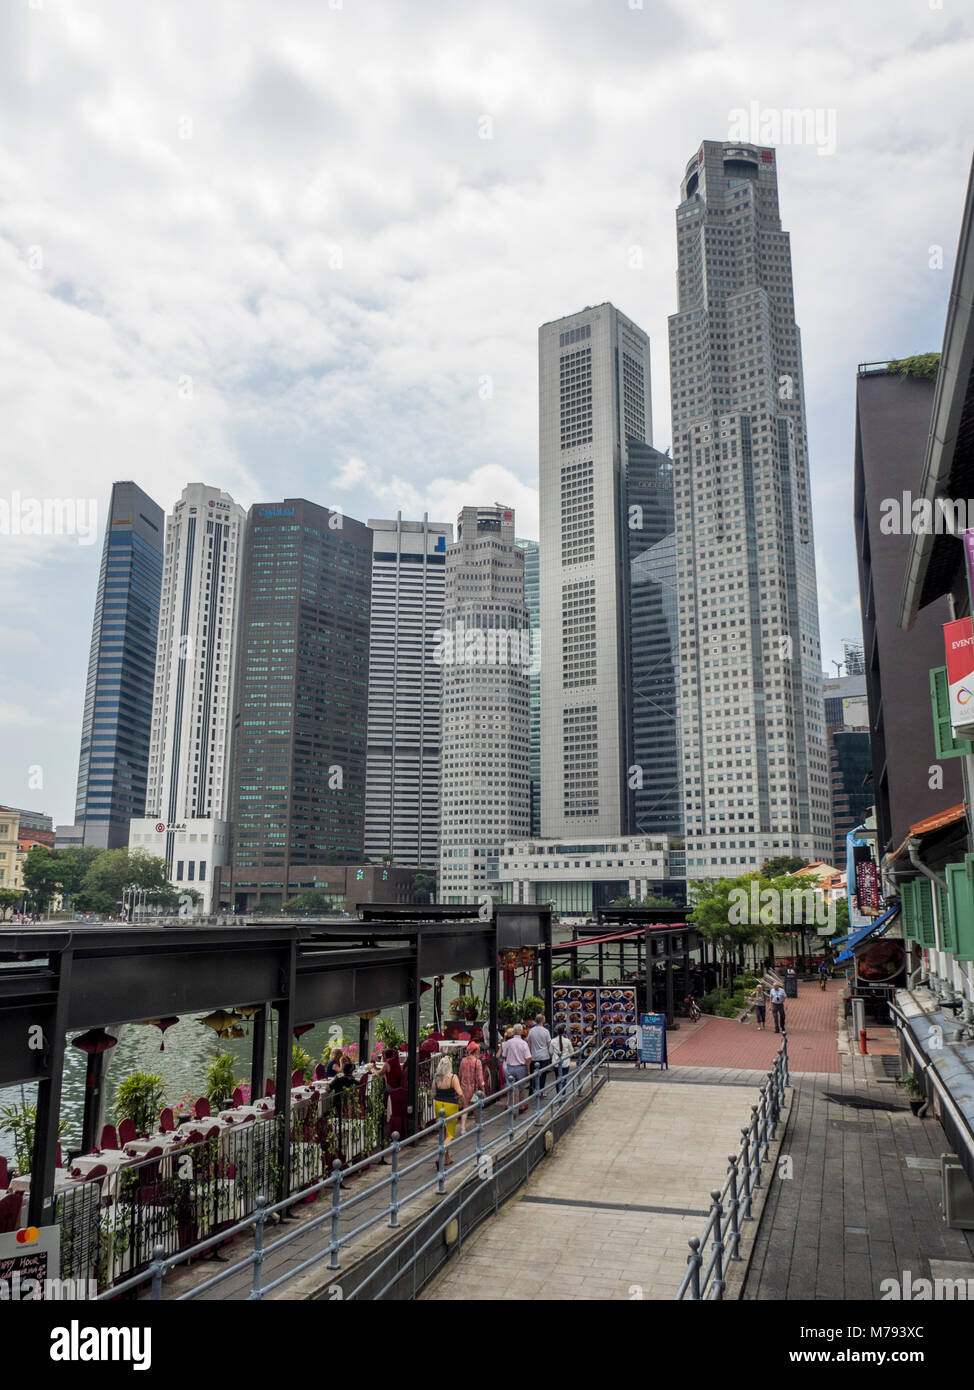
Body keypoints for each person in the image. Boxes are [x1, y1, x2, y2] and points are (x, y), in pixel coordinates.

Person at [431, 1054, 464, 1165]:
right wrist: (461, 1101)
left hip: (438, 1105)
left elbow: (432, 1094)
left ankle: (447, 1158)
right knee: (450, 1134)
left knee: (443, 1132)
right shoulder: (453, 1077)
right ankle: (440, 1155)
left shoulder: (436, 1078)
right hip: (451, 1106)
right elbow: (460, 1093)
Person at [380, 1047, 407, 1151]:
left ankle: (381, 1114)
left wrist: (373, 1069)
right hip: (397, 1088)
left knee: (380, 1091)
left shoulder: (387, 1064)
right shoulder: (396, 1062)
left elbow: (380, 1073)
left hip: (390, 1090)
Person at [501, 1023, 531, 1112]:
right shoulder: (524, 1043)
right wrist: (528, 1070)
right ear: (521, 1031)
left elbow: (504, 1056)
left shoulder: (508, 1043)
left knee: (511, 1089)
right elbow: (528, 1058)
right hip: (521, 1068)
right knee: (522, 1088)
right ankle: (521, 1106)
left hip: (510, 1068)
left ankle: (512, 1107)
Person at [458, 1042, 485, 1135]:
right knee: (477, 1107)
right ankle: (478, 1125)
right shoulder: (478, 1062)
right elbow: (480, 1078)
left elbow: (460, 1074)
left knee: (465, 1108)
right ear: (476, 1050)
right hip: (475, 1089)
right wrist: (483, 1088)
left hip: (464, 1087)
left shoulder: (463, 1061)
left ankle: (462, 1128)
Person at [527, 1013, 552, 1094]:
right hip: (544, 1056)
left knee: (535, 1073)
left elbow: (529, 1044)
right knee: (543, 1074)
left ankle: (533, 1086)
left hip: (534, 1056)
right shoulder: (546, 1031)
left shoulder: (531, 1031)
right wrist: (550, 1054)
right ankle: (541, 1091)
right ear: (543, 1021)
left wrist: (530, 1054)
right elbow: (549, 1045)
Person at [550, 1022, 574, 1095]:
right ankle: (563, 1094)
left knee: (558, 1078)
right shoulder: (567, 1041)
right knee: (564, 1078)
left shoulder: (552, 1041)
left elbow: (550, 1052)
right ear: (564, 1032)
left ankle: (558, 1094)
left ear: (557, 1032)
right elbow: (572, 1052)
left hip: (556, 1063)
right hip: (565, 1063)